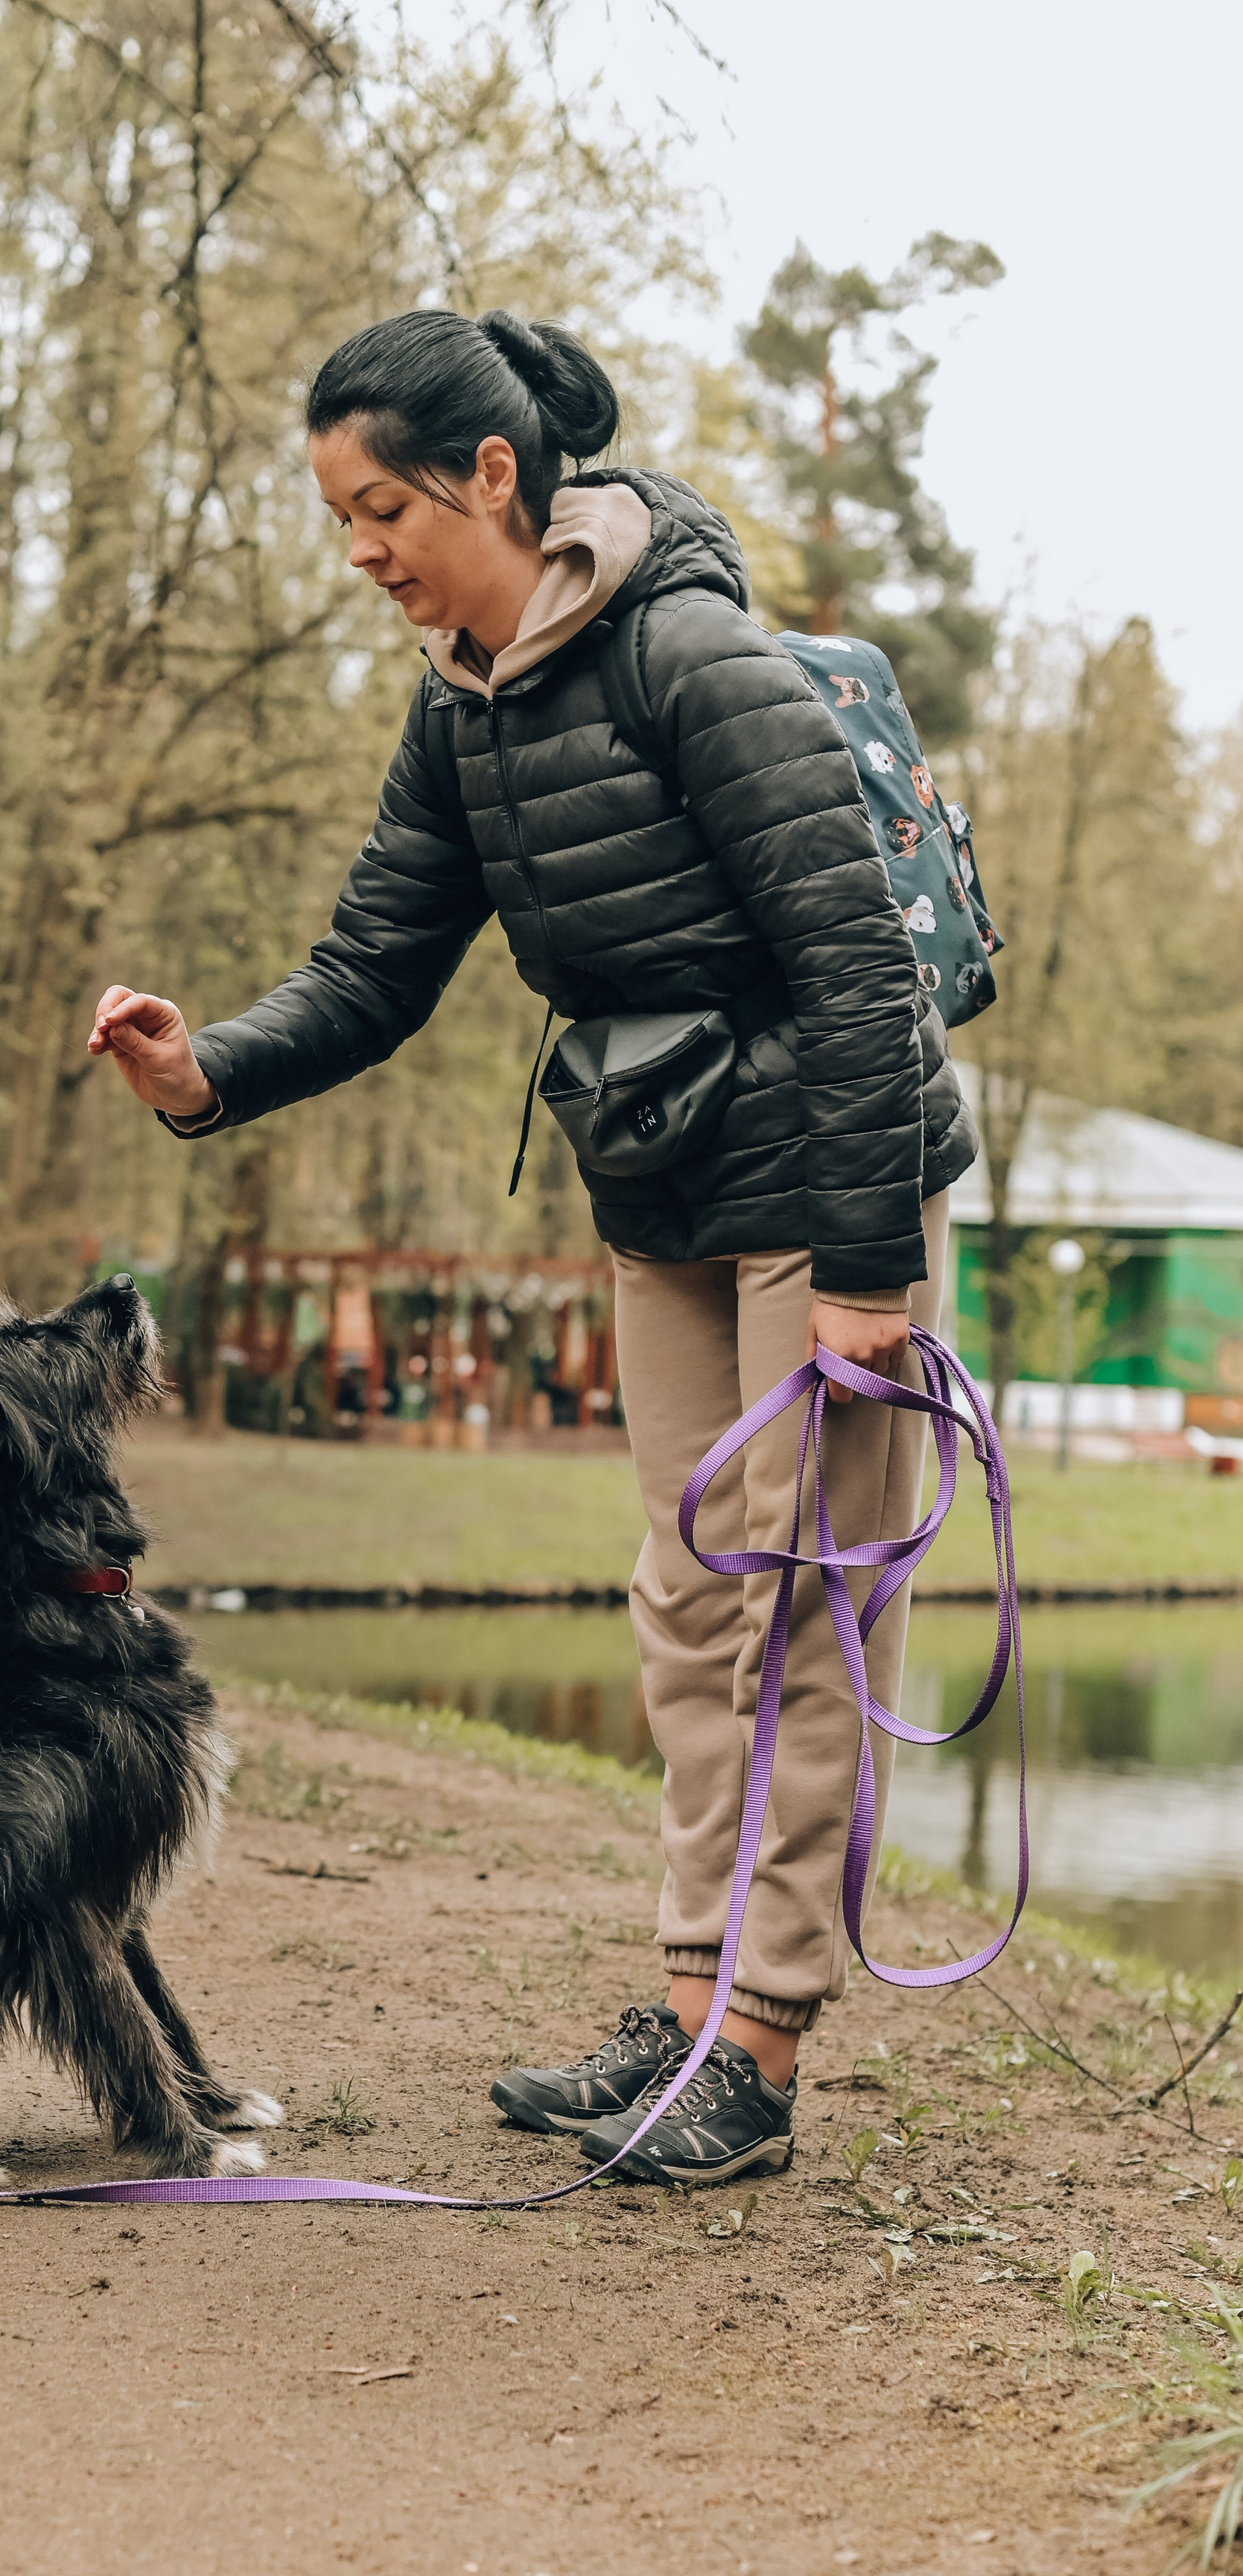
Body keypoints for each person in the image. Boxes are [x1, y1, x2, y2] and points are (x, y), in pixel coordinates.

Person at [88, 306, 978, 2187]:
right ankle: (680, 2008)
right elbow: (368, 970)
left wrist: (865, 1275)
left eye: (375, 507)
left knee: (794, 1615)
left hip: (826, 1203)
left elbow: (858, 970)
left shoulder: (689, 657)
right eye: (336, 518)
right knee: (683, 1603)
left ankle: (758, 2049)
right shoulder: (461, 704)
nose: (359, 552)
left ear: (492, 476)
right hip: (660, 1200)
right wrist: (199, 1073)